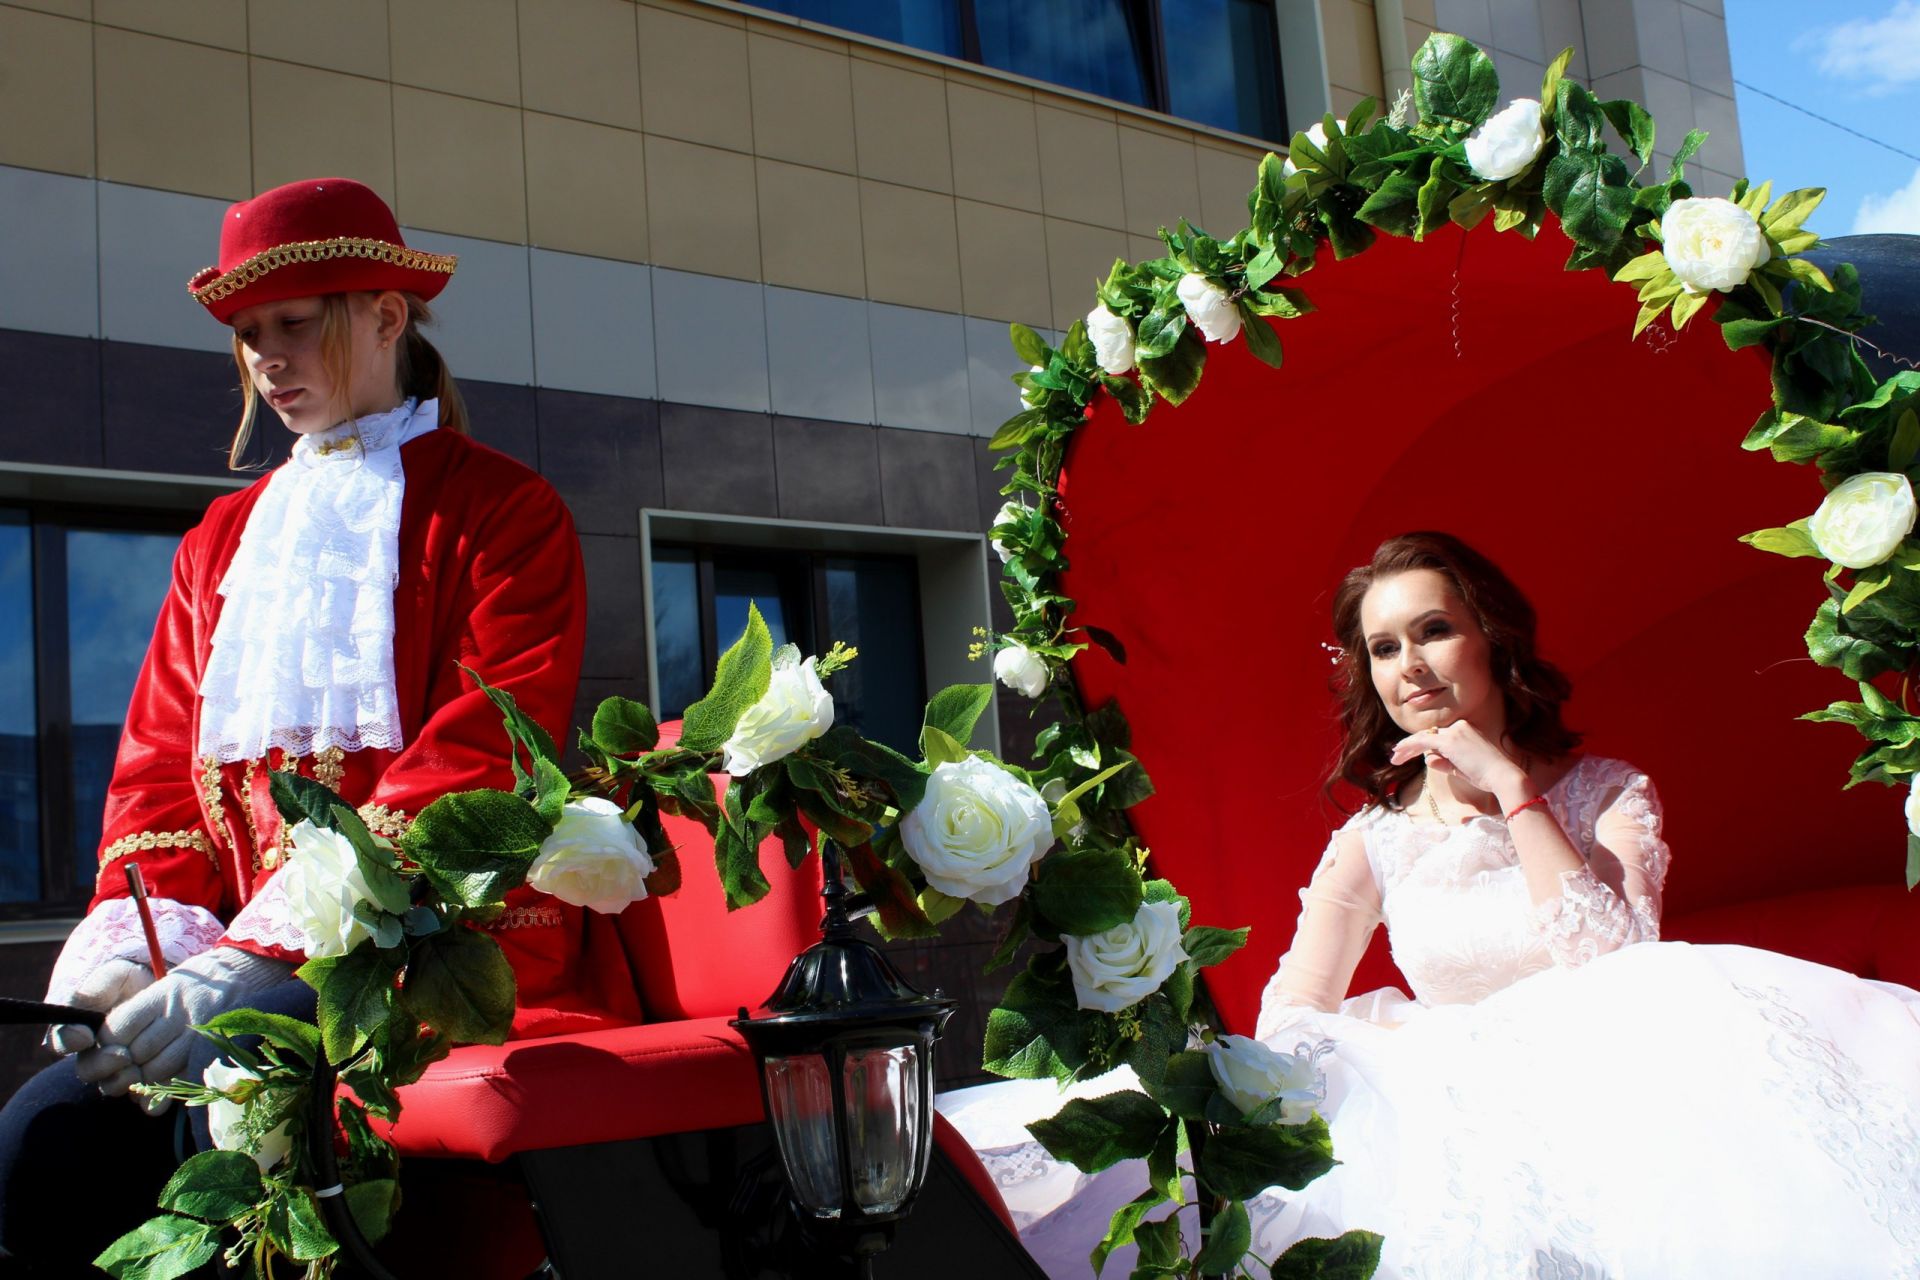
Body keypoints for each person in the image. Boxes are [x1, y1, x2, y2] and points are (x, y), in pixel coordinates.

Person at [941, 531, 1920, 1278]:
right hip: (1451, 1101)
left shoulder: (1610, 793)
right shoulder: (1374, 836)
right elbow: (1294, 1007)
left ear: (1491, 635)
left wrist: (1512, 788)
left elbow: (1620, 961)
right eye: (1381, 645)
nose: (1408, 663)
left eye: (1433, 629)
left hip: (1623, 1086)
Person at [0, 178, 593, 1270]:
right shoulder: (215, 543)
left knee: (238, 1139)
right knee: (40, 1136)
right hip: (223, 979)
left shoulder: (507, 512)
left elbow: (479, 760)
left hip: (437, 972)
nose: (267, 357)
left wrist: (257, 965)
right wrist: (135, 957)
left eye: (293, 323)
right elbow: (157, 779)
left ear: (383, 316)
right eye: (246, 335)